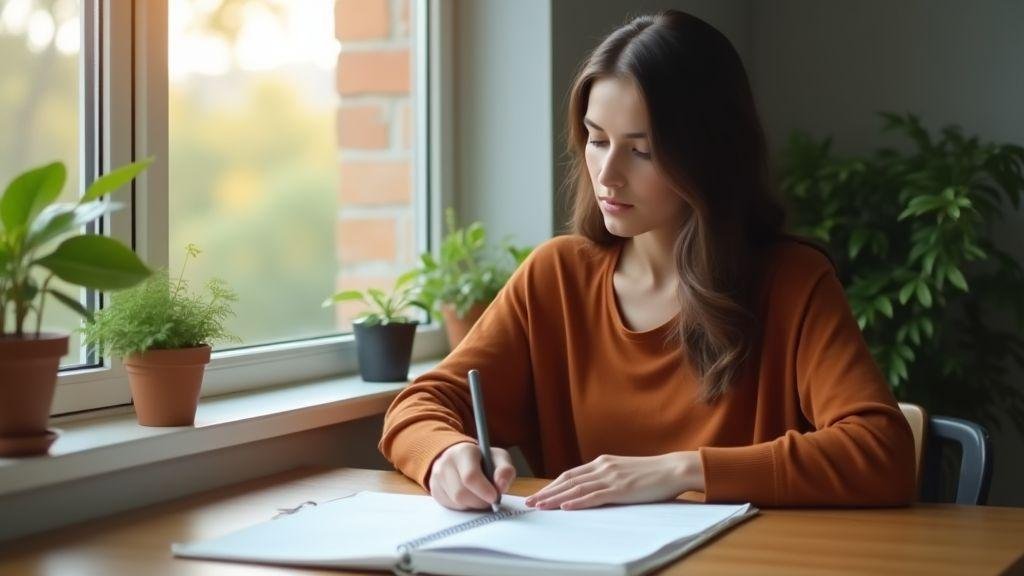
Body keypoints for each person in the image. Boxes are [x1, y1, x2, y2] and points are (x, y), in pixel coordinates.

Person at [379, 9, 916, 511]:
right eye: (596, 140)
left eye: (641, 151)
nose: (607, 174)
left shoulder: (792, 283)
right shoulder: (556, 278)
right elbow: (419, 406)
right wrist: (446, 455)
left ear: (709, 154)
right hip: (588, 561)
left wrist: (683, 470)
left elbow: (882, 452)